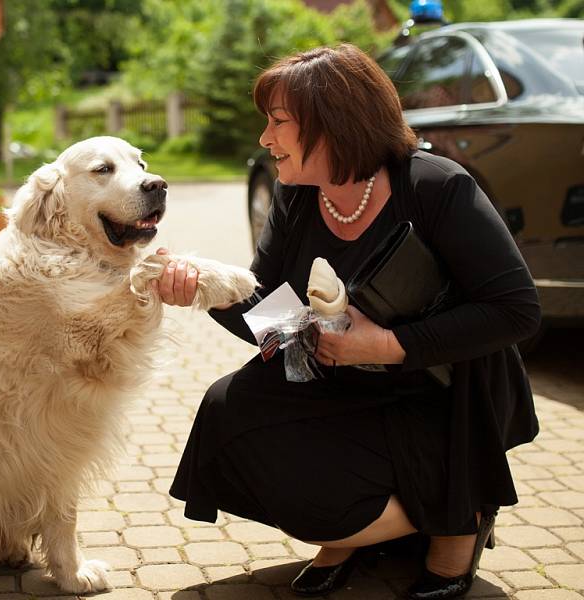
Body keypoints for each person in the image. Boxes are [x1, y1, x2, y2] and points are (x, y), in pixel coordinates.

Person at [153, 44, 540, 599]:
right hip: (343, 380)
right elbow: (275, 318)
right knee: (228, 408)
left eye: (279, 122)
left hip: (443, 393)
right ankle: (360, 528)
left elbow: (516, 309)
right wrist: (211, 291)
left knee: (335, 496)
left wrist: (385, 344)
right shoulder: (296, 198)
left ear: (335, 122)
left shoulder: (437, 186)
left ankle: (461, 514)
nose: (265, 139)